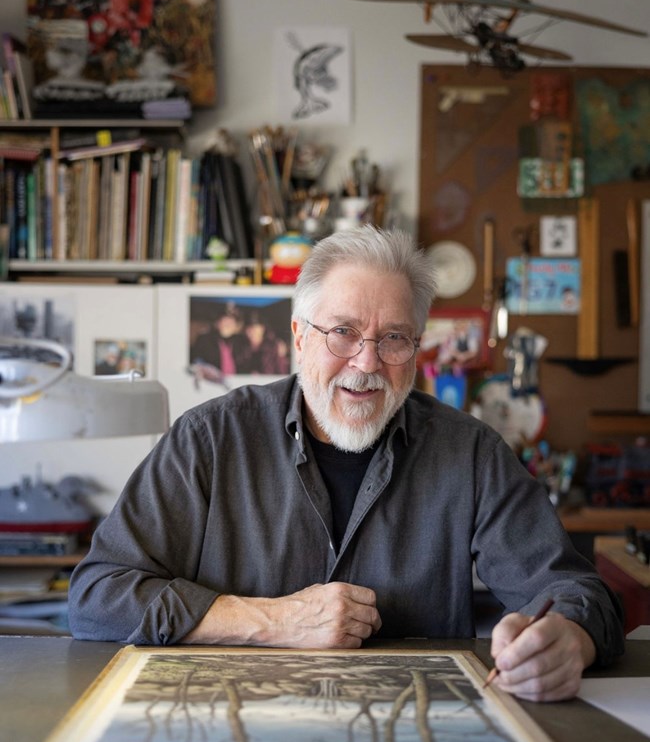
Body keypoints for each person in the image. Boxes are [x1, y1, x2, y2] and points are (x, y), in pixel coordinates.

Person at [69, 226, 624, 702]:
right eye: (343, 332)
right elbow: (98, 596)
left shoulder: (470, 454)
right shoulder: (210, 439)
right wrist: (274, 622)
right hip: (231, 726)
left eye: (394, 339)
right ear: (299, 336)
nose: (367, 362)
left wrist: (566, 639)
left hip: (414, 737)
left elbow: (577, 592)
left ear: (417, 350)